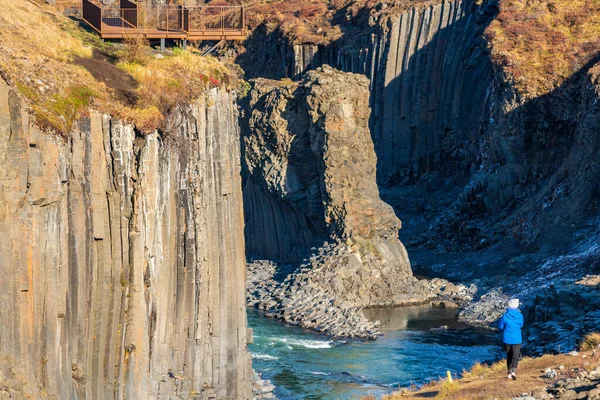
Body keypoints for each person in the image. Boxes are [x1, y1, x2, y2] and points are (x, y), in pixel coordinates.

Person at [498, 298, 523, 380]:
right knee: (515, 356)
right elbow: (521, 325)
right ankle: (514, 372)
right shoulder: (520, 316)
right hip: (517, 338)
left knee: (509, 355)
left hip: (507, 338)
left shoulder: (505, 316)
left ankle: (509, 373)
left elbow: (500, 326)